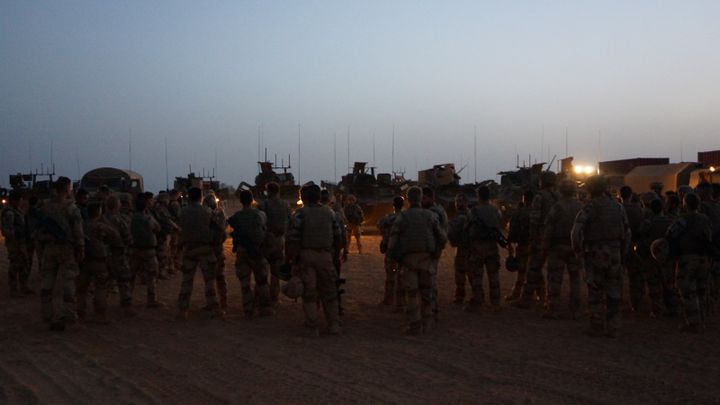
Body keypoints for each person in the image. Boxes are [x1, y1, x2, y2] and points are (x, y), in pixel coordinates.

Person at [571, 175, 630, 337]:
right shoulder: (618, 207)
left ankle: (596, 325)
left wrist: (578, 250)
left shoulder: (589, 207)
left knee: (595, 289)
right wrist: (623, 252)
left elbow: (576, 232)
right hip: (615, 251)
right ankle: (614, 326)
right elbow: (627, 231)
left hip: (595, 252)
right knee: (614, 290)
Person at [387, 186, 446, 334]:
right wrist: (434, 254)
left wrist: (396, 258)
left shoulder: (403, 217)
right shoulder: (430, 216)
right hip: (427, 259)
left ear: (407, 199)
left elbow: (392, 242)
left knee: (412, 294)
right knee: (427, 293)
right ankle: (428, 323)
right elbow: (442, 238)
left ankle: (415, 325)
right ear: (420, 198)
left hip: (408, 261)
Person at [286, 184, 344, 335]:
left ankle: (313, 327)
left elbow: (292, 238)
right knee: (330, 292)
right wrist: (335, 255)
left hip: (306, 256)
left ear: (303, 197)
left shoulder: (300, 214)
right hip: (326, 256)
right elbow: (338, 236)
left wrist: (292, 259)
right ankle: (334, 325)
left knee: (309, 293)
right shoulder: (330, 213)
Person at [37, 177, 85, 331]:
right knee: (69, 283)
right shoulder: (71, 208)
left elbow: (38, 230)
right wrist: (81, 248)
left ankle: (47, 315)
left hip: (49, 249)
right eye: (70, 188)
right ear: (66, 189)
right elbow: (78, 231)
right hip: (66, 250)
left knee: (47, 283)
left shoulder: (45, 206)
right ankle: (69, 317)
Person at [666, 193, 712, 333]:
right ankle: (702, 320)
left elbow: (670, 233)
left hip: (688, 258)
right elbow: (709, 236)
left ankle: (693, 323)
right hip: (703, 258)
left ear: (685, 204)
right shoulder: (705, 219)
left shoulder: (683, 219)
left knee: (687, 290)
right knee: (701, 289)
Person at [176, 187, 222, 319]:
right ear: (201, 197)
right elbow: (218, 228)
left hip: (189, 249)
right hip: (205, 249)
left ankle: (182, 309)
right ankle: (213, 307)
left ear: (189, 197)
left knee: (186, 281)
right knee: (209, 280)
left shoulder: (183, 212)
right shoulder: (207, 211)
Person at [515, 171, 558, 308]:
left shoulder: (540, 197)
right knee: (554, 272)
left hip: (540, 237)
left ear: (543, 181)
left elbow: (534, 220)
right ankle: (549, 299)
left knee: (533, 268)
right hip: (555, 238)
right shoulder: (558, 196)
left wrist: (532, 239)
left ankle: (526, 299)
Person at [541, 180, 583, 319]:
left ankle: (553, 309)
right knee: (575, 278)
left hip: (558, 247)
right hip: (575, 247)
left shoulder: (557, 207)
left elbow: (549, 228)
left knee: (554, 279)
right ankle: (576, 310)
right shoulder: (580, 206)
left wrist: (545, 246)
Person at [228, 190, 273, 318]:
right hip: (257, 250)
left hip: (242, 251)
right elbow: (264, 228)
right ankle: (265, 308)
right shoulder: (260, 214)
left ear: (241, 201)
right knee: (262, 281)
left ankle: (248, 309)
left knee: (245, 282)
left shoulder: (236, 216)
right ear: (252, 200)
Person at [76, 201, 119, 323]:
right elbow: (115, 235)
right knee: (101, 287)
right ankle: (100, 314)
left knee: (81, 289)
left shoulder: (82, 225)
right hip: (98, 260)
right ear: (99, 212)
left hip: (84, 260)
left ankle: (80, 313)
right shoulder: (100, 226)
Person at [464, 186, 504, 312]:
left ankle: (477, 302)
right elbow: (499, 225)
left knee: (477, 276)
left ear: (478, 196)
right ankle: (496, 303)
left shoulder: (473, 211)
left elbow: (466, 228)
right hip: (492, 246)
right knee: (494, 276)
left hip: (477, 247)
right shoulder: (496, 210)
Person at [636, 198, 677, 317]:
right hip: (668, 257)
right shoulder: (671, 221)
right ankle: (672, 308)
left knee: (654, 285)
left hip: (651, 257)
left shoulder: (647, 223)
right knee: (669, 283)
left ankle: (657, 309)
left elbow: (641, 238)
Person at [257, 182, 291, 306]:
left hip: (266, 240)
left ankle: (263, 298)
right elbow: (290, 221)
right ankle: (275, 298)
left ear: (268, 191)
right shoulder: (285, 205)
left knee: (263, 271)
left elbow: (259, 223)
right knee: (276, 272)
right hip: (280, 240)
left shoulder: (263, 205)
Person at [130, 193, 164, 309]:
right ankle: (151, 300)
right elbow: (158, 228)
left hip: (135, 250)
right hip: (149, 251)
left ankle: (127, 299)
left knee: (131, 276)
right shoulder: (148, 218)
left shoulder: (132, 218)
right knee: (152, 276)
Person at [104, 195, 136, 315]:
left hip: (104, 254)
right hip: (118, 253)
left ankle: (101, 307)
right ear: (117, 205)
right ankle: (126, 306)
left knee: (103, 282)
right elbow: (127, 237)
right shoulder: (119, 220)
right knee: (124, 280)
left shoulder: (102, 219)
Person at [422, 187, 448, 320]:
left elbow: (436, 232)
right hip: (432, 249)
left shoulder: (433, 213)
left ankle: (433, 310)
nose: (421, 200)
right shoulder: (438, 210)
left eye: (424, 198)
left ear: (431, 198)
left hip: (431, 251)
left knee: (429, 281)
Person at [1, 190, 32, 297]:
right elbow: (6, 230)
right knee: (14, 265)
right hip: (14, 242)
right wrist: (15, 237)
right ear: (14, 200)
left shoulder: (17, 210)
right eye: (20, 200)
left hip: (21, 242)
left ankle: (24, 286)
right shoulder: (9, 213)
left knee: (24, 264)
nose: (21, 202)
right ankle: (13, 289)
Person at [620, 186, 646, 313]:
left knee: (616, 276)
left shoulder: (618, 209)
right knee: (635, 276)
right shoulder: (639, 210)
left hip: (619, 246)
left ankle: (616, 302)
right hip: (635, 244)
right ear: (630, 195)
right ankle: (636, 303)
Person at [377, 196, 406, 307]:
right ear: (403, 205)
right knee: (402, 277)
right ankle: (401, 303)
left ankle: (388, 300)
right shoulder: (405, 217)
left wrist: (386, 235)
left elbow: (379, 226)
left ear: (393, 205)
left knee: (390, 277)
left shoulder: (388, 218)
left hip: (391, 250)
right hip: (403, 251)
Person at [506, 190, 533, 301]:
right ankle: (542, 295)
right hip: (536, 245)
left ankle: (518, 294)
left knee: (522, 271)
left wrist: (509, 243)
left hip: (522, 245)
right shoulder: (538, 212)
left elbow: (512, 231)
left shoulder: (520, 213)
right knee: (535, 270)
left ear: (524, 198)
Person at [204, 193, 228, 310]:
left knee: (209, 277)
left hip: (209, 249)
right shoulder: (221, 213)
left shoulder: (206, 214)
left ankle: (212, 303)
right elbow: (224, 229)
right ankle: (223, 301)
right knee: (220, 276)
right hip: (219, 248)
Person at [447, 193, 472, 305]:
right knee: (472, 273)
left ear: (466, 202)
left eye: (460, 201)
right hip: (472, 248)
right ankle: (478, 295)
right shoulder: (472, 215)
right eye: (457, 201)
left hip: (463, 248)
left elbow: (451, 231)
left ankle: (460, 296)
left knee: (461, 273)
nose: (458, 203)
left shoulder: (460, 217)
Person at [153, 192, 180, 280]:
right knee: (163, 253)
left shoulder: (162, 209)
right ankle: (161, 272)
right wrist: (176, 227)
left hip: (165, 233)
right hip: (162, 234)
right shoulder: (160, 209)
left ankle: (165, 270)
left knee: (166, 252)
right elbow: (167, 220)